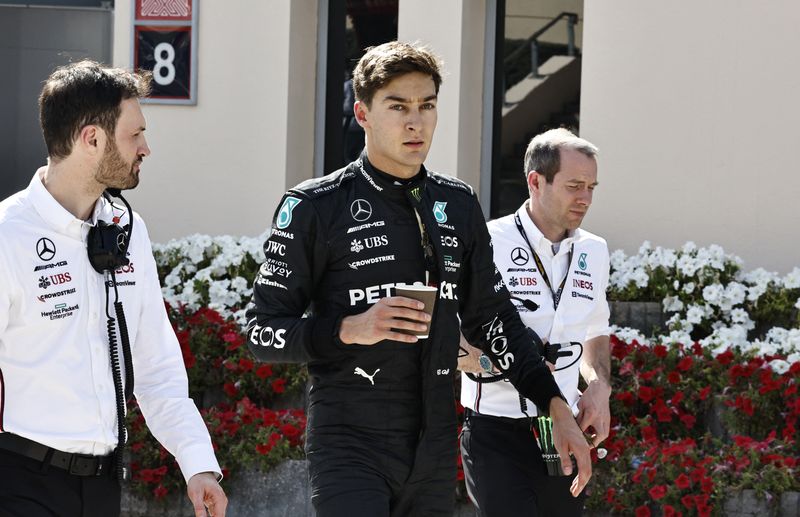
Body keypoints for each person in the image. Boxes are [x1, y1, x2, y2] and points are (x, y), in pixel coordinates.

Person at [245, 42, 591, 516]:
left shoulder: (459, 202)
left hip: (434, 447)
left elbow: (492, 318)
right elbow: (262, 333)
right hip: (349, 444)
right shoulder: (314, 206)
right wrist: (351, 328)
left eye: (427, 106)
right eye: (399, 107)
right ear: (362, 113)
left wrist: (554, 405)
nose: (416, 122)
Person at [0, 61, 227, 517]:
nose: (146, 147)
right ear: (92, 139)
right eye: (135, 134)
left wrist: (197, 463)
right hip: (20, 481)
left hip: (104, 485)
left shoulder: (127, 228)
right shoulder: (8, 234)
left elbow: (156, 366)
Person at [459, 128, 611, 516]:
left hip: (563, 429)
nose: (586, 198)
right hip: (496, 430)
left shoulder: (594, 250)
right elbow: (451, 338)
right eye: (575, 185)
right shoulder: (486, 241)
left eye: (592, 187)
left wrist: (598, 386)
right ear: (535, 181)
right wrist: (499, 363)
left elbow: (596, 330)